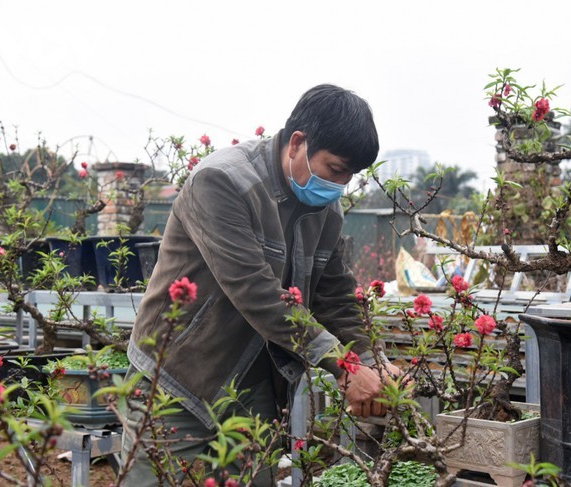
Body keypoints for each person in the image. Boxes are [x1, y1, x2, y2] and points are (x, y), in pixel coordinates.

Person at [120, 84, 399, 485]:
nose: (340, 186)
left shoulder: (325, 207)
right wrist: (342, 365)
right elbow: (255, 291)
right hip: (178, 369)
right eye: (336, 170)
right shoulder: (222, 182)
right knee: (150, 479)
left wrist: (371, 361)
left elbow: (335, 295)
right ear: (298, 143)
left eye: (349, 177)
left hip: (253, 379)